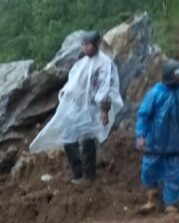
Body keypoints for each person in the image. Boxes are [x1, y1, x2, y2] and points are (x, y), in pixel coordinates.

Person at [30, 31, 124, 184]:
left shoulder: (105, 64)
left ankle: (89, 175)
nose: (85, 48)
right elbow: (75, 81)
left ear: (97, 45)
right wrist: (66, 92)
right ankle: (77, 172)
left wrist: (104, 110)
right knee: (68, 137)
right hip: (76, 106)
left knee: (87, 140)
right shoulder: (82, 62)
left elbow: (106, 88)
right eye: (83, 44)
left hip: (92, 109)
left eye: (88, 45)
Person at [136, 60, 179, 214]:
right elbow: (144, 116)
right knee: (149, 171)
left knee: (175, 173)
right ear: (172, 76)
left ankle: (171, 203)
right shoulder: (155, 94)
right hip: (155, 141)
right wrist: (141, 135)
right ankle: (152, 198)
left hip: (177, 142)